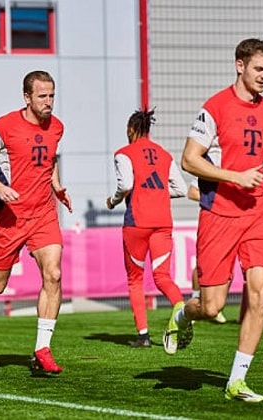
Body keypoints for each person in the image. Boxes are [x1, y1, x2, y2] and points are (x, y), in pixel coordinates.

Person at [174, 38, 263, 403]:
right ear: (239, 66)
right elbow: (189, 160)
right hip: (219, 215)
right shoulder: (214, 108)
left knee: (260, 290)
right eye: (259, 68)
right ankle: (183, 315)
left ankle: (236, 381)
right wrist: (235, 177)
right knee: (211, 307)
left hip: (258, 212)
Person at [0, 70, 72, 375]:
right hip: (9, 218)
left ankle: (42, 349)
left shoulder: (57, 127)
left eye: (52, 95)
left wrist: (57, 187)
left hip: (43, 214)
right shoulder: (4, 126)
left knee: (54, 273)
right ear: (26, 97)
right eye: (42, 96)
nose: (49, 101)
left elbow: (49, 160)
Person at [105, 108, 187, 348]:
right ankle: (182, 311)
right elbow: (181, 189)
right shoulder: (165, 154)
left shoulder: (124, 153)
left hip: (137, 222)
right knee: (162, 277)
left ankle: (143, 336)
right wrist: (157, 194)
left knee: (135, 279)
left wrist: (113, 201)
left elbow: (126, 185)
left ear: (131, 130)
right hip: (163, 222)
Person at [187, 180, 226, 324]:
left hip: (230, 222)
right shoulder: (210, 168)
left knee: (225, 265)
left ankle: (217, 306)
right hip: (211, 221)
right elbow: (191, 192)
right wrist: (216, 201)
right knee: (203, 264)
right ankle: (196, 300)